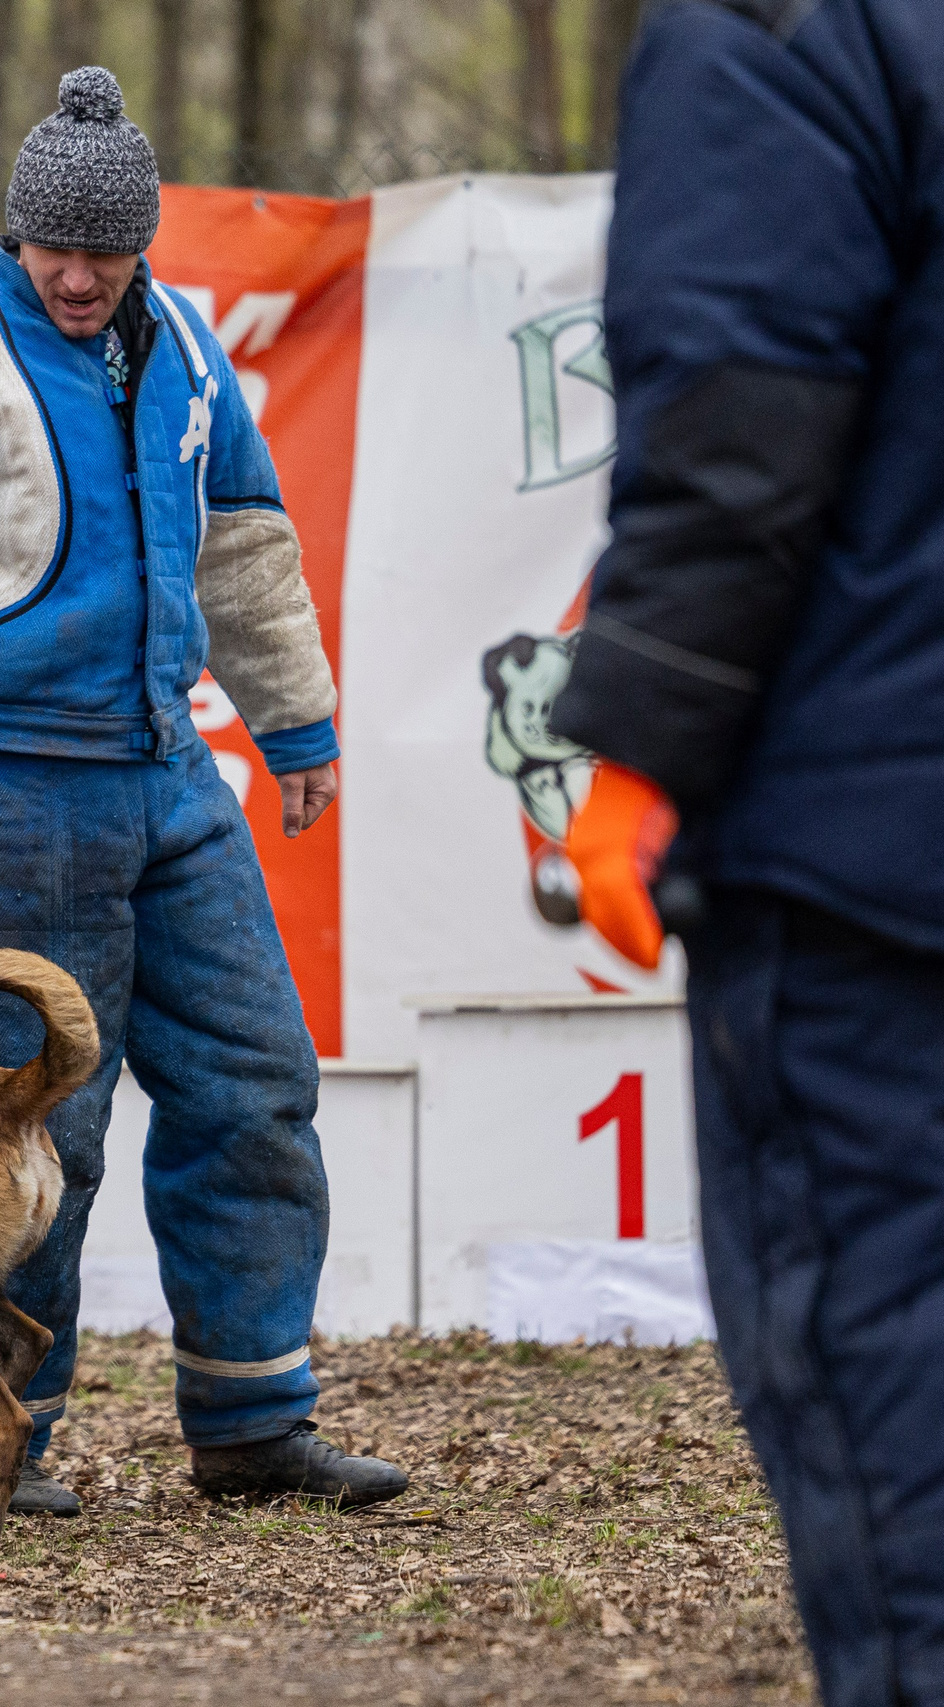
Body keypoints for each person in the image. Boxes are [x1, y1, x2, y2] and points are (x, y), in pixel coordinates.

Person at [0, 67, 406, 1513]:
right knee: (28, 1121)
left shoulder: (190, 353)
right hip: (7, 785)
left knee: (256, 1086)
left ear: (146, 241)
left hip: (168, 765)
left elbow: (245, 543)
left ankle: (253, 1418)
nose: (81, 275)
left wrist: (297, 726)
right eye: (57, 249)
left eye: (108, 249)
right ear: (13, 234)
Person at [549, 3, 944, 1699]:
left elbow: (738, 418)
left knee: (902, 1416)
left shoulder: (779, 30)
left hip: (871, 870)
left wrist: (641, 751)